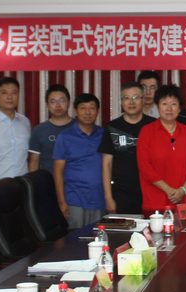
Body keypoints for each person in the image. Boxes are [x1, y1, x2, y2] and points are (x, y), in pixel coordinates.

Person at [137, 84, 186, 212]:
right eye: (164, 104)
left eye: (174, 104)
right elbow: (144, 166)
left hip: (183, 200)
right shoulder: (147, 131)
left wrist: (183, 190)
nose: (169, 108)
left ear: (179, 107)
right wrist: (168, 190)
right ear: (157, 106)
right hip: (155, 201)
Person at [98, 82, 156, 215]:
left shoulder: (154, 125)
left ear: (143, 100)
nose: (131, 102)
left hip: (150, 191)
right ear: (122, 102)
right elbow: (106, 165)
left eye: (135, 97)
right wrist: (108, 198)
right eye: (126, 98)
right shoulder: (112, 127)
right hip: (120, 194)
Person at [52, 93, 105, 229]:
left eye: (92, 108)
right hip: (74, 200)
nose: (87, 112)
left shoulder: (104, 135)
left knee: (98, 238)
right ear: (75, 111)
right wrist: (61, 202)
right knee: (74, 240)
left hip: (99, 199)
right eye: (83, 108)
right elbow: (58, 172)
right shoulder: (65, 137)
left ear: (97, 111)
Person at [28, 84, 75, 173]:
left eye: (62, 100)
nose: (57, 105)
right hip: (48, 180)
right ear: (47, 105)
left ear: (69, 103)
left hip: (75, 180)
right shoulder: (39, 130)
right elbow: (33, 163)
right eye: (52, 102)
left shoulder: (79, 127)